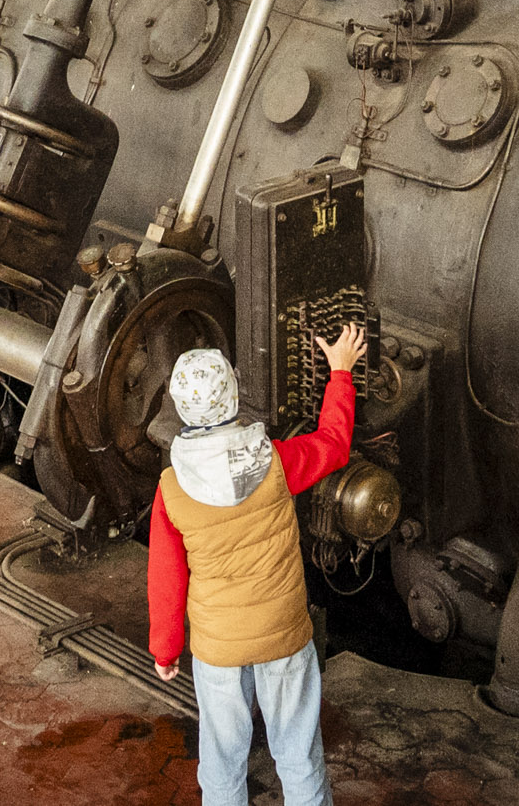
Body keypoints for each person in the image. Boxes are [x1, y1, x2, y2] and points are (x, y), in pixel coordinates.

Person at [150, 318, 370, 806]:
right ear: (233, 394)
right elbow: (333, 445)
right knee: (298, 754)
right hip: (283, 633)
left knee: (223, 759)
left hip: (218, 647)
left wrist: (166, 649)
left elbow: (166, 581)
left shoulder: (171, 490)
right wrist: (340, 372)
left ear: (180, 408)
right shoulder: (273, 463)